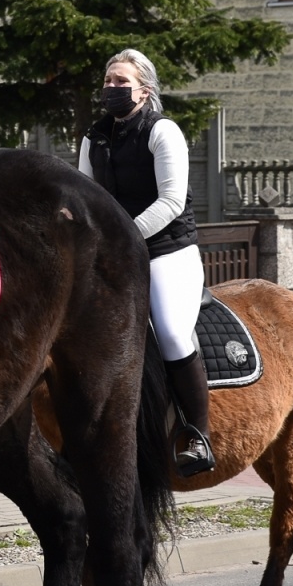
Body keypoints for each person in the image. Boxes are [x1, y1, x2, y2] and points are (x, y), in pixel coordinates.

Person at [78, 48, 216, 477]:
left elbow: (172, 201)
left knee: (173, 334)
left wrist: (124, 237)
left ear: (145, 89)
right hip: (115, 254)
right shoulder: (93, 137)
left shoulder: (163, 131)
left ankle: (197, 433)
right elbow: (85, 195)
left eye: (122, 82)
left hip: (168, 253)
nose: (112, 88)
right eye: (108, 81)